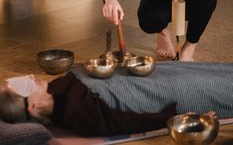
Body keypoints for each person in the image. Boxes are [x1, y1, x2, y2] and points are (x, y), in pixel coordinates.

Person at [0, 62, 233, 137]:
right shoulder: (78, 116)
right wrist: (182, 118)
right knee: (215, 85)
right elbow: (129, 123)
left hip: (144, 74)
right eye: (26, 85)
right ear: (34, 105)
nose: (30, 77)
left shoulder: (55, 87)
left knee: (203, 69)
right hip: (157, 94)